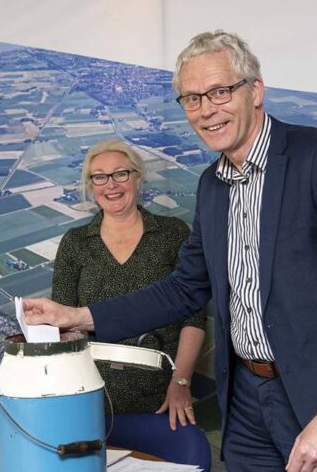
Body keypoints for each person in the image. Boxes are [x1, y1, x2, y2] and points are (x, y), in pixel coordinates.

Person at [24, 31, 317, 472]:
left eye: (220, 92)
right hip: (249, 401)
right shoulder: (212, 186)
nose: (206, 110)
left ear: (256, 90)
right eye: (192, 98)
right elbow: (185, 287)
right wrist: (81, 316)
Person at [52, 139, 206, 429]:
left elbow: (194, 315)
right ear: (91, 185)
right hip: (92, 395)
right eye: (99, 177)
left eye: (120, 173)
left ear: (137, 177)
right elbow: (63, 326)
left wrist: (181, 381)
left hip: (163, 396)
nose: (111, 184)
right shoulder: (74, 243)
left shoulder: (172, 233)